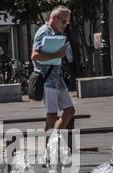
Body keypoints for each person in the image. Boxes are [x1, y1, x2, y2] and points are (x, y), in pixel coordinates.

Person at [31, 5, 75, 133]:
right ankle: (49, 146)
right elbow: (34, 56)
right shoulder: (44, 31)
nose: (65, 25)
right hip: (48, 80)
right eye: (64, 21)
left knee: (69, 110)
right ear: (55, 18)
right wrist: (56, 55)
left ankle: (53, 140)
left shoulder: (56, 33)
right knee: (51, 115)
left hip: (57, 79)